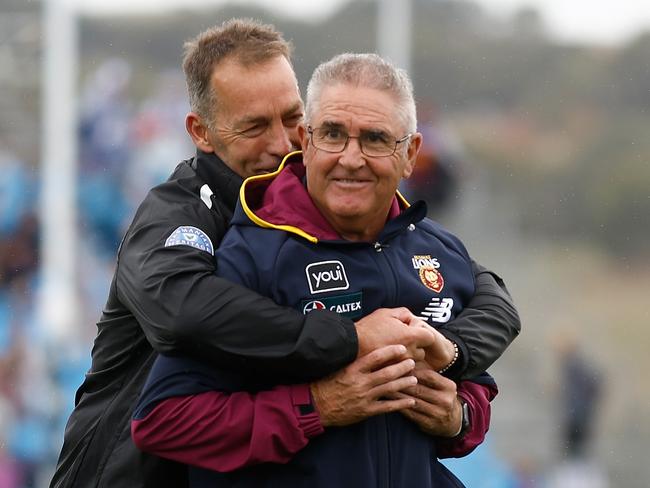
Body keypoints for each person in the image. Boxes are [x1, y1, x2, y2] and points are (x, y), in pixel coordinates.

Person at [51, 19, 519, 488]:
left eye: (292, 118)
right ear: (202, 132)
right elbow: (183, 315)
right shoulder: (181, 216)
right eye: (254, 126)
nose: (281, 144)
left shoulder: (359, 224)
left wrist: (456, 394)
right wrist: (345, 353)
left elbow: (487, 298)